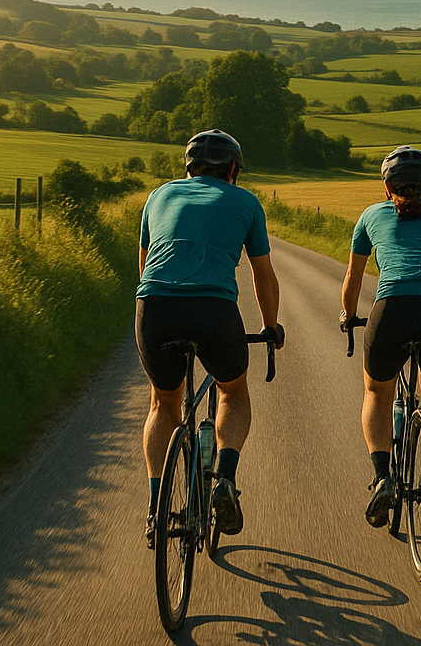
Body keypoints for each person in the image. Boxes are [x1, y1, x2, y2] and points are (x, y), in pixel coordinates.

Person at [135, 129, 283, 547]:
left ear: (188, 166)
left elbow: (144, 267)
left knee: (163, 402)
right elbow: (263, 274)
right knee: (233, 392)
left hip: (155, 307)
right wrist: (270, 327)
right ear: (233, 168)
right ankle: (225, 482)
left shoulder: (158, 196)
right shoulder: (246, 202)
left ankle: (154, 512)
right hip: (214, 310)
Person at [340, 146, 421, 528]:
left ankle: (383, 476)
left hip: (392, 309)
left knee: (377, 391)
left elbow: (353, 278)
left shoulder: (369, 216)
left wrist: (349, 317)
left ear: (386, 187)